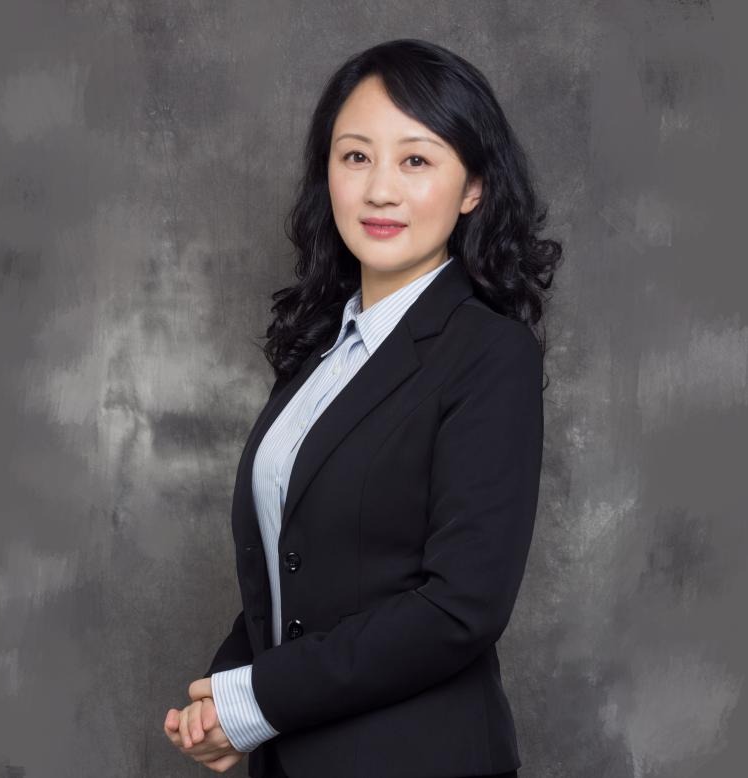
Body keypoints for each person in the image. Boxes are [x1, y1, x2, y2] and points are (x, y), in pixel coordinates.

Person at [164, 37, 562, 777]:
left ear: (473, 186)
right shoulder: (321, 350)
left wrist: (256, 699)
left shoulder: (488, 352)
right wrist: (222, 693)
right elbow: (302, 567)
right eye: (356, 156)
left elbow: (459, 608)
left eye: (416, 160)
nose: (380, 190)